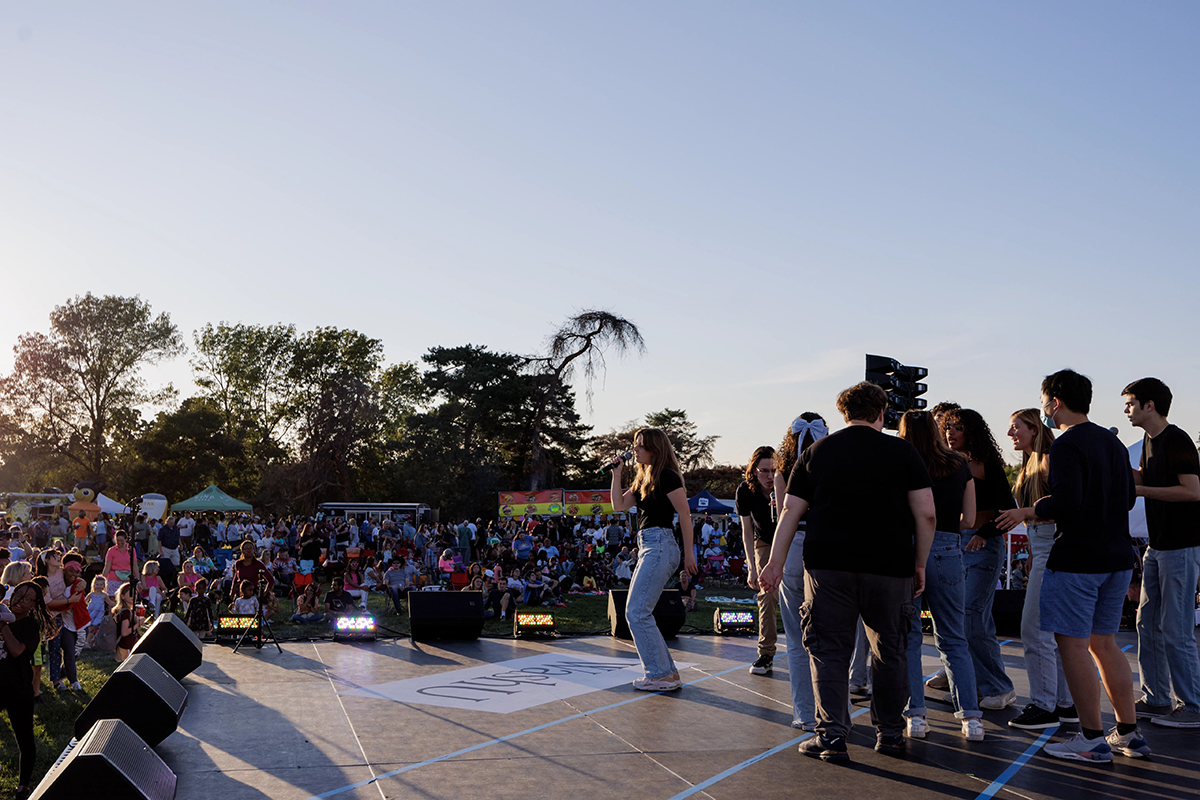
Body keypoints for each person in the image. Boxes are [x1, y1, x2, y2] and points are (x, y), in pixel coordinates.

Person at [760, 382, 934, 762]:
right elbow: (927, 513)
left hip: (828, 568)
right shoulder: (903, 452)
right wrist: (919, 563)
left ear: (843, 413)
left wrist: (774, 563)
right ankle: (889, 734)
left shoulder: (817, 452)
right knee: (890, 651)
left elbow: (790, 511)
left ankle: (832, 737)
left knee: (829, 652)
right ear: (882, 413)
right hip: (889, 568)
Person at [1034, 369, 1146, 762]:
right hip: (1117, 556)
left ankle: (1091, 736)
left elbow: (1066, 502)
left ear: (1055, 402)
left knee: (1073, 645)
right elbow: (1130, 498)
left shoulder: (1065, 445)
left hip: (1078, 559)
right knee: (1104, 642)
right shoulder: (1112, 443)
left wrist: (1031, 510)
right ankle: (1128, 733)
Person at [897, 410, 984, 742]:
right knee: (953, 638)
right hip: (948, 548)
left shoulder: (902, 462)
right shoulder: (959, 465)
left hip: (908, 548)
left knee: (910, 637)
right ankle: (971, 719)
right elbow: (970, 517)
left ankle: (916, 715)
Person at [1123, 377, 1200, 728]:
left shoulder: (1178, 439)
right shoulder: (1149, 444)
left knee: (1176, 628)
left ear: (1149, 405)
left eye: (1130, 404)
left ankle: (1193, 706)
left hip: (1181, 547)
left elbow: (1191, 491)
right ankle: (1156, 697)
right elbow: (1146, 476)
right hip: (1158, 546)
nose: (1126, 410)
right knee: (1147, 622)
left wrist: (1142, 490)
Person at [996, 409, 1077, 730]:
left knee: (1035, 630)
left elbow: (1063, 504)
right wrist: (1032, 550)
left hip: (1052, 544)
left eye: (1015, 428)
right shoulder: (1033, 462)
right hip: (1042, 545)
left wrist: (1026, 516)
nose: (1010, 434)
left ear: (1033, 429)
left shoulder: (1047, 461)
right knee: (1053, 632)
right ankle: (1064, 703)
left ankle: (1044, 706)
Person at [940, 407, 1018, 710]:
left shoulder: (987, 465)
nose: (951, 432)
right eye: (948, 427)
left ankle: (998, 686)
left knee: (971, 614)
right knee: (958, 617)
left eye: (958, 427)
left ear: (972, 431)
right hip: (954, 544)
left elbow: (1006, 510)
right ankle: (970, 685)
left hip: (982, 545)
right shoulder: (949, 464)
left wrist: (983, 533)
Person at [610, 428, 697, 692]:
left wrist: (689, 553)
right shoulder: (643, 479)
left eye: (639, 446)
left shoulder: (667, 476)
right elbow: (618, 506)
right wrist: (616, 475)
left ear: (654, 449)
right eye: (634, 445)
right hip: (648, 545)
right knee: (638, 611)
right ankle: (667, 674)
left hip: (661, 545)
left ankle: (659, 674)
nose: (635, 450)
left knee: (636, 611)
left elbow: (685, 514)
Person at [1, 580, 58, 798]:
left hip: (17, 687)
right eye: (18, 595)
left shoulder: (30, 626)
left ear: (34, 604)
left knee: (24, 738)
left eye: (27, 599)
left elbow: (16, 651)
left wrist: (3, 626)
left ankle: (23, 787)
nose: (20, 601)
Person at [736, 445, 781, 676]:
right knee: (767, 593)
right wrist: (751, 567)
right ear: (754, 471)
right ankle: (766, 654)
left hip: (790, 539)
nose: (770, 476)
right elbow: (746, 530)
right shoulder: (745, 491)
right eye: (764, 471)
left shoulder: (786, 484)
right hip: (763, 542)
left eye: (774, 470)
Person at [103, 530, 138, 597]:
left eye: (121, 540)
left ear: (126, 539)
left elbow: (135, 565)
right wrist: (103, 579)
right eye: (117, 540)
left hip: (127, 578)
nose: (119, 543)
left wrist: (138, 579)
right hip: (114, 578)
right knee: (113, 598)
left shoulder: (131, 550)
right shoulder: (111, 550)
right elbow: (107, 566)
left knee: (127, 598)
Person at [114, 582, 138, 662]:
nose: (134, 596)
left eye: (135, 594)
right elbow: (124, 632)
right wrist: (138, 624)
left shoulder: (128, 611)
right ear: (123, 596)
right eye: (131, 594)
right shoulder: (126, 612)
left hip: (127, 645)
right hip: (125, 647)